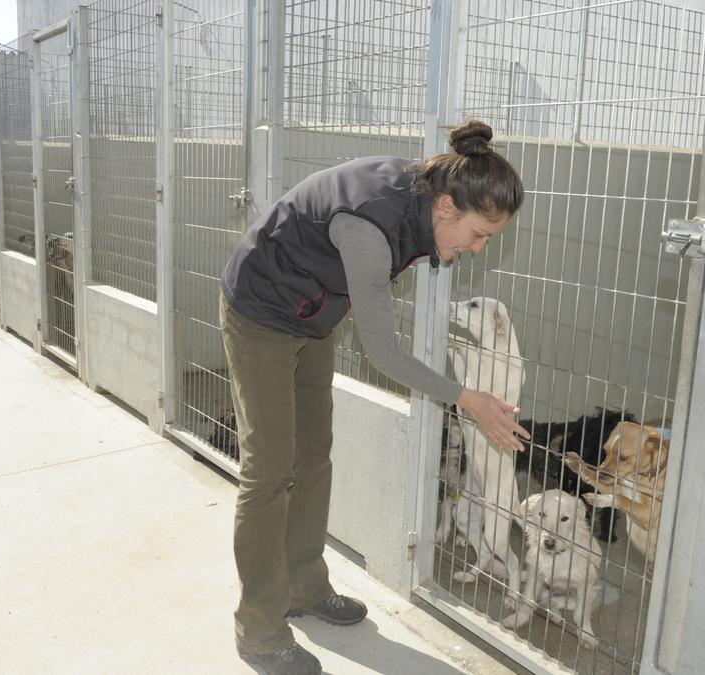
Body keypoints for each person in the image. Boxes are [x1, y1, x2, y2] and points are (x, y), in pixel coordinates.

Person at [219, 119, 529, 675]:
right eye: (480, 234)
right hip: (261, 310)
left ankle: (303, 588)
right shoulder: (372, 227)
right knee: (269, 470)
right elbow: (383, 352)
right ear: (446, 209)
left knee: (312, 457)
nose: (479, 249)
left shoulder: (427, 196)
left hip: (312, 312)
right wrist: (466, 398)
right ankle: (260, 631)